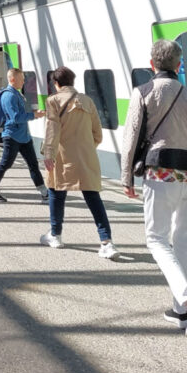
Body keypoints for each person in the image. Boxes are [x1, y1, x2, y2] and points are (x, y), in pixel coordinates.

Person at [120, 39, 187, 340]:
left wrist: (127, 177)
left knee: (156, 239)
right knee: (184, 241)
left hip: (161, 173)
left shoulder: (143, 92)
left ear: (151, 64)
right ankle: (182, 311)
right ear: (179, 65)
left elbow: (131, 138)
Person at [40, 67, 119, 259]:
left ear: (55, 83)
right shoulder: (87, 100)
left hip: (62, 156)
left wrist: (48, 154)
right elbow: (97, 133)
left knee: (56, 193)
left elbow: (52, 130)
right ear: (73, 81)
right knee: (93, 198)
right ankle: (106, 242)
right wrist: (85, 147)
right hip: (86, 156)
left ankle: (55, 235)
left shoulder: (53, 100)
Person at [0, 68, 47, 203]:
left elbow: (21, 113)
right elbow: (15, 117)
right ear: (12, 79)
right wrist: (34, 115)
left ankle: (44, 192)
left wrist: (35, 113)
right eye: (21, 79)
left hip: (24, 136)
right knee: (6, 164)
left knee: (33, 164)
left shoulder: (17, 94)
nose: (24, 81)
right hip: (12, 136)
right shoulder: (9, 96)